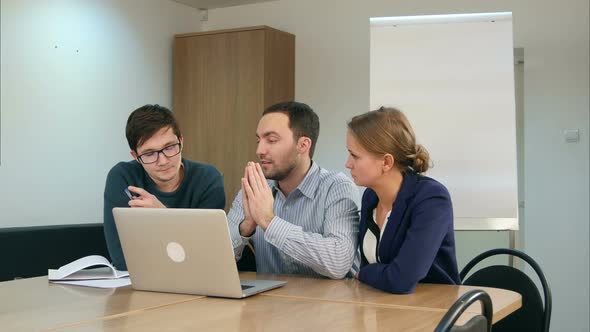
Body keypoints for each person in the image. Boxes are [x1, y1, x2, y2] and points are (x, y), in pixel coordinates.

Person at [227, 101, 359, 279]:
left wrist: (269, 221)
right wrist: (246, 228)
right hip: (269, 304)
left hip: (329, 304)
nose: (259, 150)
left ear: (303, 145)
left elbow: (339, 261)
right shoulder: (255, 188)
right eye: (259, 140)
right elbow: (214, 260)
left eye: (271, 140)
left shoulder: (336, 187)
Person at [345, 107, 460, 293]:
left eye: (355, 156)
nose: (348, 163)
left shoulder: (432, 198)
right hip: (384, 307)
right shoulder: (370, 196)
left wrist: (364, 273)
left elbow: (401, 280)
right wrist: (374, 273)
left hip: (433, 313)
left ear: (386, 162)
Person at [103, 104, 225, 271]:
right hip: (139, 287)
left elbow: (205, 256)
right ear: (136, 156)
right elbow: (123, 260)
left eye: (169, 147)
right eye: (149, 153)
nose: (163, 161)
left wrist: (162, 215)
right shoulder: (123, 177)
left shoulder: (207, 179)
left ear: (181, 141)